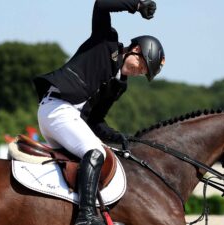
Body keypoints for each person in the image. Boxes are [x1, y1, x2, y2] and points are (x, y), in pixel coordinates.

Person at [33, 0, 164, 224]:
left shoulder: (119, 84)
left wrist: (119, 137)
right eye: (141, 67)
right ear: (135, 50)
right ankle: (86, 217)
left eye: (143, 73)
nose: (139, 73)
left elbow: (95, 121)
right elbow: (101, 4)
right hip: (57, 108)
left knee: (99, 153)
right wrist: (137, 5)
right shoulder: (106, 40)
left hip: (67, 117)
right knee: (96, 153)